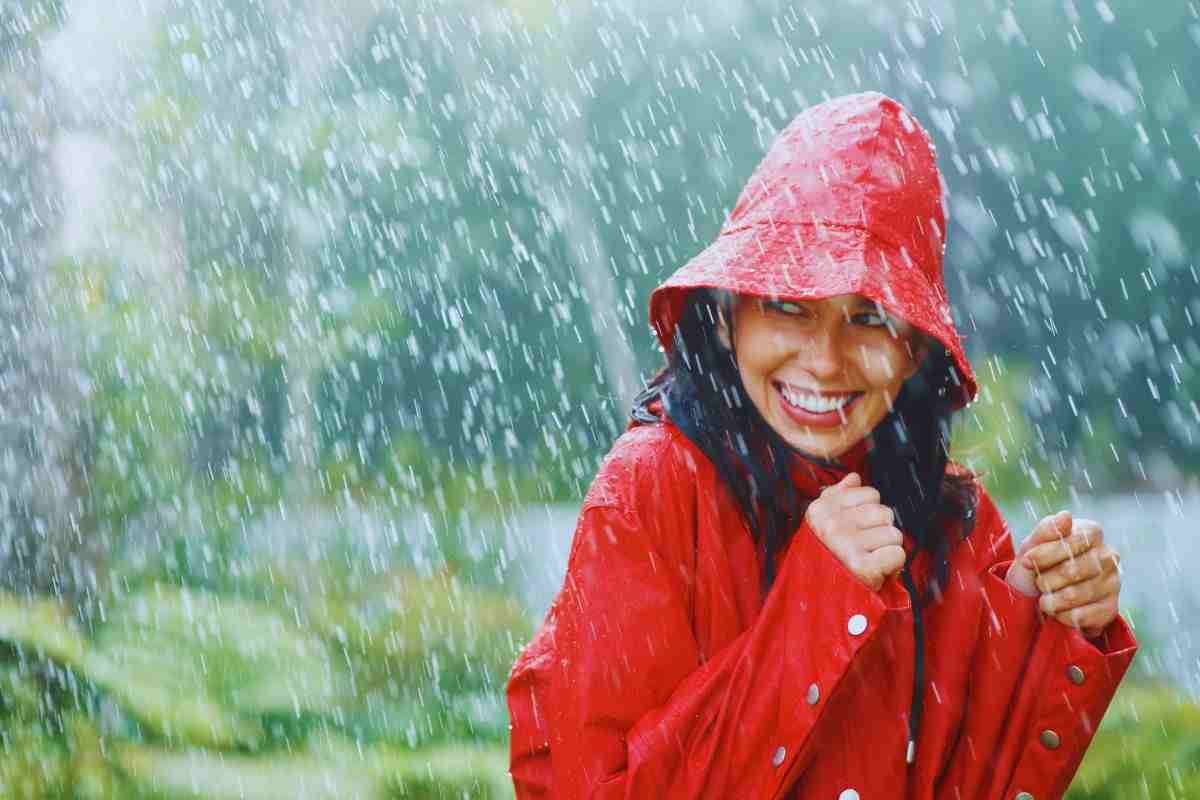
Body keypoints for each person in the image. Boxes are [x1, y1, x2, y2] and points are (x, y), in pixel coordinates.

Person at [506, 91, 1137, 799]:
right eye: (787, 306)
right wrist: (816, 605)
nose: (826, 360)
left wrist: (1047, 621)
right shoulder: (649, 490)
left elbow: (970, 783)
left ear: (912, 353)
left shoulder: (954, 516)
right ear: (726, 318)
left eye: (868, 319)